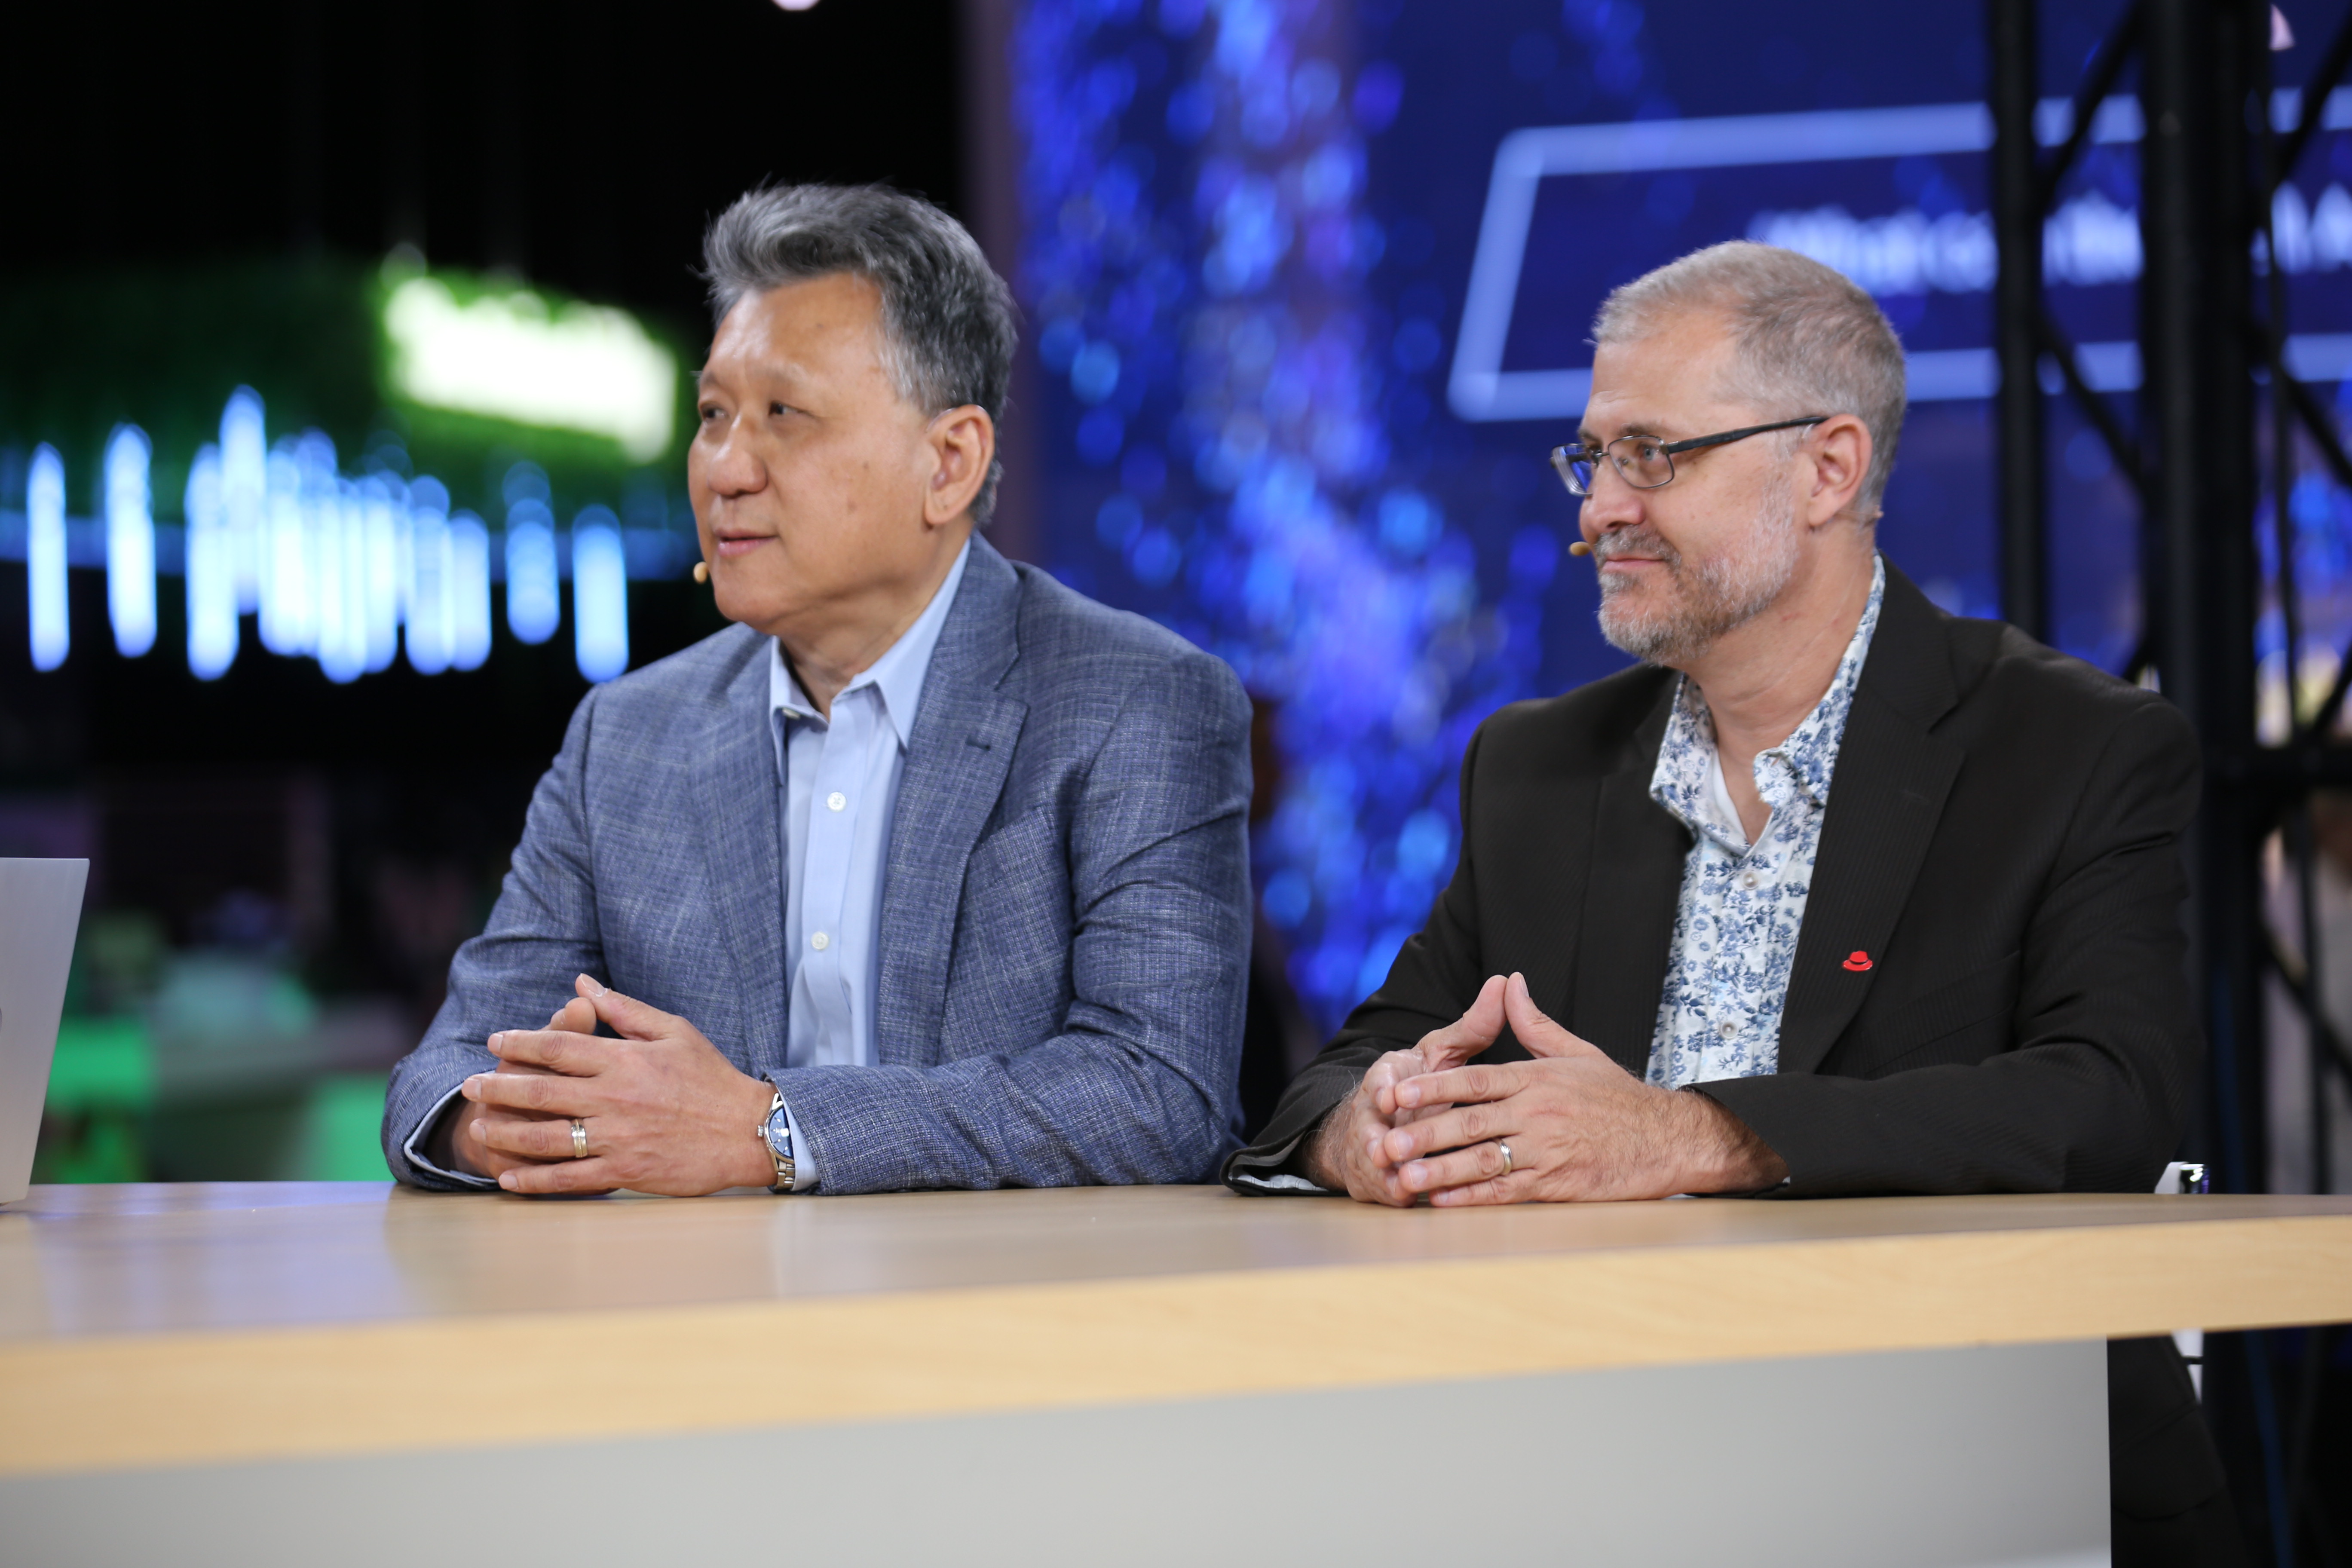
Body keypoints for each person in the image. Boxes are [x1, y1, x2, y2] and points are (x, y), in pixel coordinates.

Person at [1223, 242, 2239, 1564]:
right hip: (1600, 1479)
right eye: (1592, 460)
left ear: (1829, 468)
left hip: (1987, 1477)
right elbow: (1345, 1070)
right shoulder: (1537, 767)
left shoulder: (2074, 748)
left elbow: (2109, 1099)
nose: (1598, 512)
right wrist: (1370, 1131)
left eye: (1656, 454)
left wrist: (1691, 1137)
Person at [382, 184, 1252, 1197]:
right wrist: (509, 1126)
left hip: (1011, 1323)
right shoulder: (625, 735)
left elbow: (1160, 1097)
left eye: (783, 415)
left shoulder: (1137, 705)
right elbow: (443, 1074)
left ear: (950, 462)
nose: (723, 469)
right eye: (712, 415)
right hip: (698, 1329)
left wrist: (773, 1130)